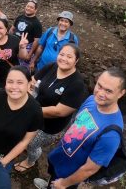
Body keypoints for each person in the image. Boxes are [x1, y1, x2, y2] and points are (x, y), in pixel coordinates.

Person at [34, 67, 126, 189]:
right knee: (53, 179)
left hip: (71, 175)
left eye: (108, 91)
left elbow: (89, 169)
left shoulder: (111, 134)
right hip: (60, 157)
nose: (100, 93)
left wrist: (64, 183)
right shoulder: (92, 100)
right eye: (99, 86)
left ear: (121, 93)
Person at [14, 44, 88, 172]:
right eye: (62, 54)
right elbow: (32, 80)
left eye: (69, 56)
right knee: (25, 135)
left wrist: (30, 110)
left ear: (76, 61)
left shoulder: (77, 84)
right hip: (34, 113)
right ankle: (23, 146)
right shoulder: (52, 66)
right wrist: (28, 92)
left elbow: (59, 111)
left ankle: (30, 161)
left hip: (50, 126)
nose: (64, 58)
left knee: (32, 144)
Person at [0, 66, 44, 171]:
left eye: (20, 82)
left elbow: (24, 141)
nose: (14, 87)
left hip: (6, 155)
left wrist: (4, 161)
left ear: (28, 84)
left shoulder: (35, 111)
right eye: (10, 82)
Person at [0, 18, 27, 85]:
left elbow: (23, 57)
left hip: (13, 78)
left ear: (6, 29)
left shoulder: (14, 40)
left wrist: (22, 47)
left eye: (1, 28)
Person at [10, 0, 42, 68]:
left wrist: (29, 54)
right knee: (11, 64)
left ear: (35, 10)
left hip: (26, 47)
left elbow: (36, 41)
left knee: (22, 68)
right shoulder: (19, 17)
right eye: (27, 6)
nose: (28, 8)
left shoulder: (37, 24)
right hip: (14, 44)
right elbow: (12, 29)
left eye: (31, 7)